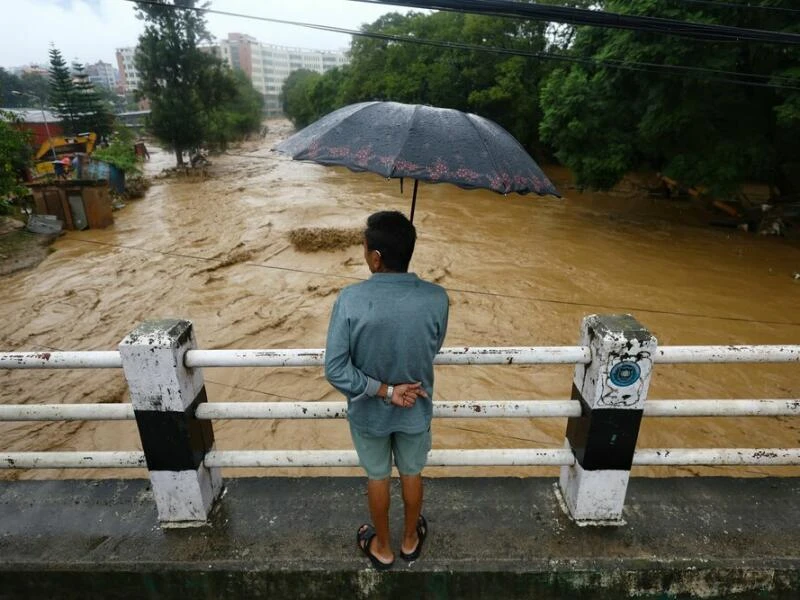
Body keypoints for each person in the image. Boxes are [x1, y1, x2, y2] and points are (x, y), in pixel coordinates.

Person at [324, 210, 449, 570]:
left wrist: (383, 389)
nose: (364, 254)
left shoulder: (349, 299)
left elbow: (335, 368)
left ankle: (382, 546)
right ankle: (410, 540)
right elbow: (433, 345)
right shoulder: (437, 297)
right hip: (416, 406)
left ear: (376, 257)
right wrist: (400, 386)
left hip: (369, 411)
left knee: (378, 476)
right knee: (412, 472)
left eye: (365, 248)